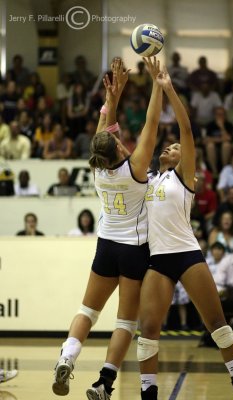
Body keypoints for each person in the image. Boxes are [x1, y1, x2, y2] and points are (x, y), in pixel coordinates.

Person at [138, 67, 233, 400]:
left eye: (175, 148)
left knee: (216, 322)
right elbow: (148, 128)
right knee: (147, 331)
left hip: (188, 255)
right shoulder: (147, 180)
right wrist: (151, 92)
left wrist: (168, 87)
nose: (170, 148)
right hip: (158, 259)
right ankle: (148, 394)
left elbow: (186, 128)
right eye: (168, 146)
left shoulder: (183, 178)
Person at [52, 57, 162, 399]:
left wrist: (112, 97)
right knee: (125, 323)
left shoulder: (99, 170)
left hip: (106, 245)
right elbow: (152, 122)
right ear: (117, 146)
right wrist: (158, 84)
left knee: (87, 311)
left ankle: (68, 356)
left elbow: (104, 128)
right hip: (133, 249)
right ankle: (104, 380)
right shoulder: (136, 168)